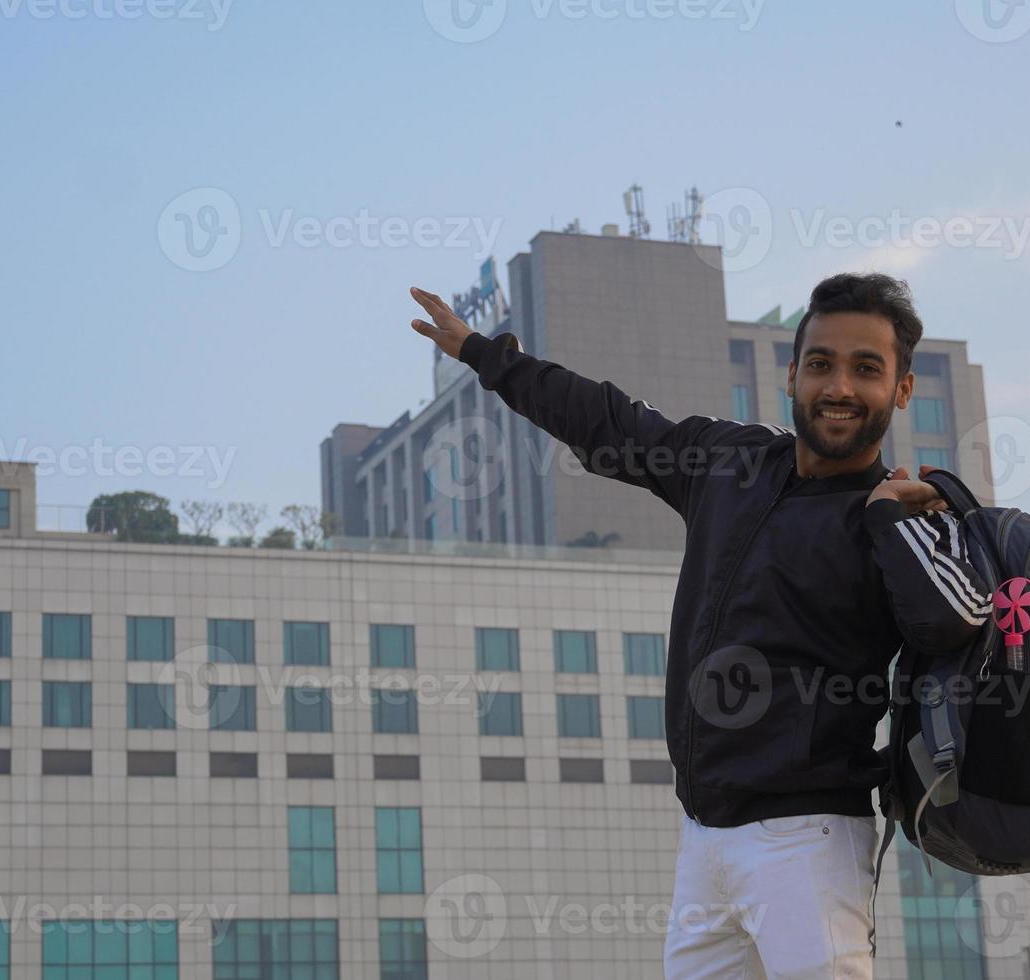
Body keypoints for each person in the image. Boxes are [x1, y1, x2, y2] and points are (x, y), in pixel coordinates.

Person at [409, 273, 992, 979]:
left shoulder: (900, 518)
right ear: (791, 374)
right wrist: (484, 353)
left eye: (866, 369)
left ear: (900, 390)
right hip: (702, 837)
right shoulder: (728, 461)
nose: (838, 386)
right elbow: (609, 422)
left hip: (804, 840)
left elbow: (957, 619)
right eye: (820, 364)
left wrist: (889, 517)